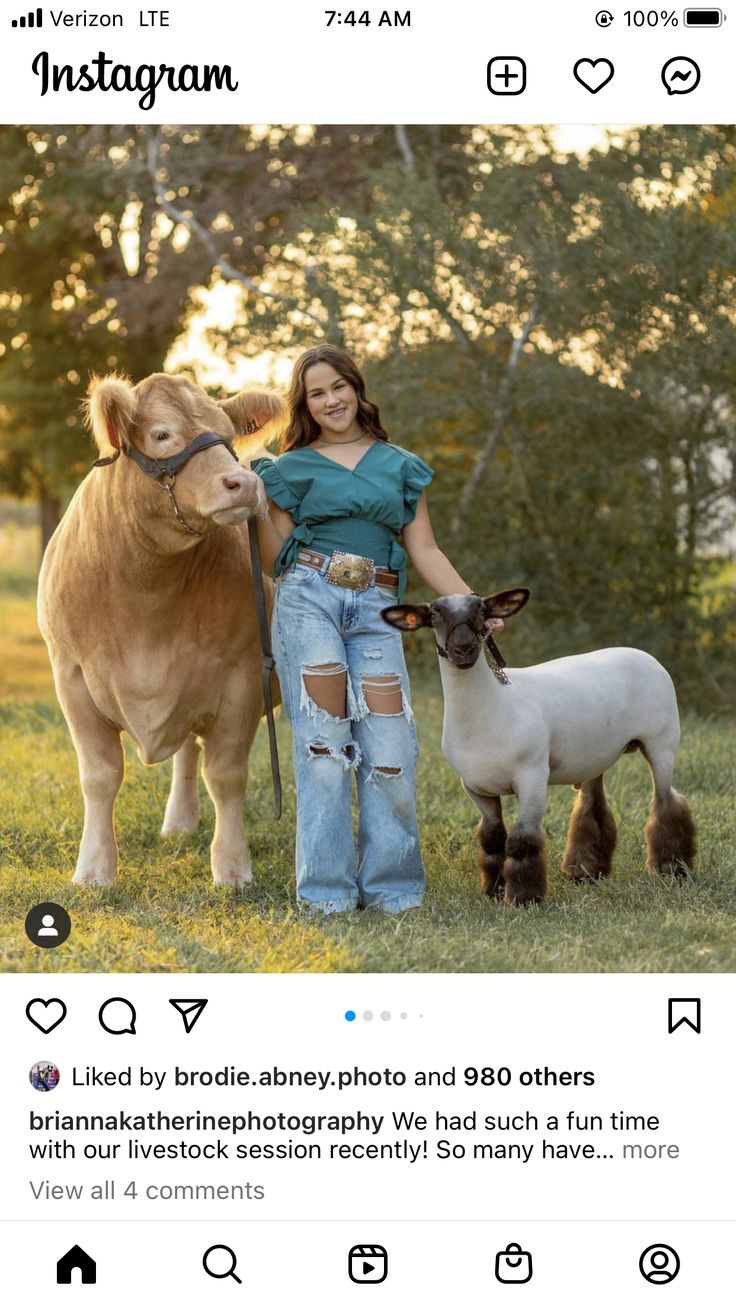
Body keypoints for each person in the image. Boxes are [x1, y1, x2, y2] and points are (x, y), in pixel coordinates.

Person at [250, 344, 500, 914]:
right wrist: (257, 504)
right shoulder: (286, 470)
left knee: (390, 746)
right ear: (305, 404)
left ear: (356, 388)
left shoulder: (399, 465)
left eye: (338, 386)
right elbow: (275, 560)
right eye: (316, 393)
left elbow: (426, 550)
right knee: (324, 744)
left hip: (379, 608)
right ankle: (327, 895)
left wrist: (471, 606)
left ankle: (393, 891)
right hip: (308, 599)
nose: (331, 400)